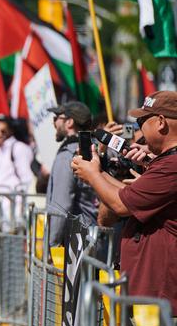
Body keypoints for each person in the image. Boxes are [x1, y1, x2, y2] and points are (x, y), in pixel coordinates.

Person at [72, 91, 177, 309]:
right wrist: (98, 172)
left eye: (141, 121)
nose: (138, 128)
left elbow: (121, 205)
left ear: (160, 123)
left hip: (158, 298)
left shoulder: (171, 166)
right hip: (149, 292)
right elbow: (129, 197)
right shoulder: (165, 162)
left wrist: (92, 174)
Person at [45, 101, 97, 245]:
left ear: (69, 122)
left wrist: (51, 244)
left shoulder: (67, 155)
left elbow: (61, 205)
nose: (54, 122)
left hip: (76, 243)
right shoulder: (95, 151)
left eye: (57, 118)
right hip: (92, 237)